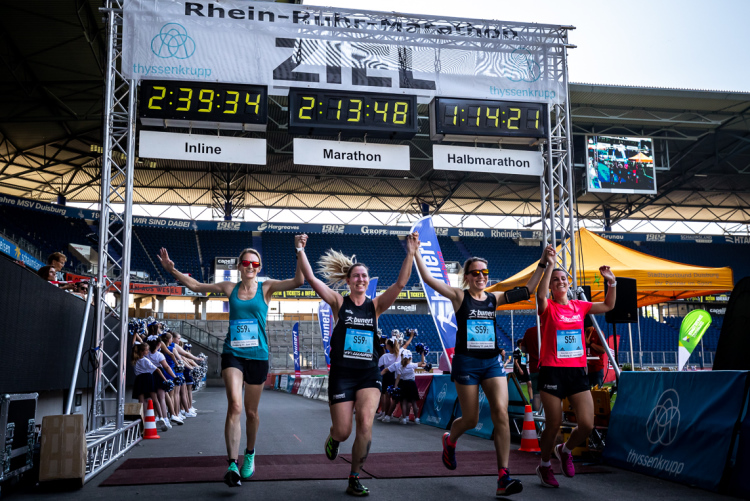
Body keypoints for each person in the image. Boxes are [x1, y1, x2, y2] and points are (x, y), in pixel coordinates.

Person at [158, 244, 304, 487]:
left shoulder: (266, 288)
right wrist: (172, 270)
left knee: (251, 412)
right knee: (235, 405)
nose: (250, 267)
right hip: (233, 353)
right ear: (239, 266)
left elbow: (299, 281)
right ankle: (232, 464)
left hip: (258, 356)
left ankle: (250, 453)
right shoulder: (230, 288)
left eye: (254, 263)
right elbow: (197, 287)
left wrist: (299, 251)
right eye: (246, 263)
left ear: (259, 267)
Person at [414, 242, 553, 497]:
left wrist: (543, 263)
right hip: (467, 363)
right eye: (476, 272)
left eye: (485, 272)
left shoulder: (493, 298)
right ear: (467, 277)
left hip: (491, 363)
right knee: (471, 419)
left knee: (500, 413)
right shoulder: (459, 297)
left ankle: (503, 477)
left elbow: (528, 290)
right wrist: (415, 253)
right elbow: (429, 280)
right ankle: (450, 440)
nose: (481, 276)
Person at [294, 232, 419, 496]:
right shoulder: (339, 302)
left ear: (367, 281)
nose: (361, 279)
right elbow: (313, 279)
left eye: (364, 276)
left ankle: (354, 477)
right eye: (356, 276)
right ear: (349, 281)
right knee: (343, 431)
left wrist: (411, 253)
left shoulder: (375, 306)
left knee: (365, 423)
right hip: (342, 375)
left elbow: (400, 283)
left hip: (368, 375)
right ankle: (334, 438)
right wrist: (300, 250)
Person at [535, 258, 616, 489]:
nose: (560, 282)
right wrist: (549, 266)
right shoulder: (548, 307)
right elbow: (539, 295)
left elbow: (608, 306)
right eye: (555, 280)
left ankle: (565, 450)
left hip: (576, 372)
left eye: (563, 279)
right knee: (553, 424)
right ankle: (544, 465)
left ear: (569, 283)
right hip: (552, 371)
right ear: (550, 286)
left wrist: (612, 283)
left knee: (587, 425)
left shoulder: (580, 306)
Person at [522, 326, 541, 411]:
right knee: (551, 394)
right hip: (548, 366)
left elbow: (523, 349)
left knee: (536, 394)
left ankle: (536, 416)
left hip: (534, 367)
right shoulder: (549, 329)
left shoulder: (529, 331)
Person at [513, 340, 533, 404]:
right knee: (518, 385)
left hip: (524, 369)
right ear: (520, 343)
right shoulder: (516, 351)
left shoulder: (524, 351)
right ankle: (519, 399)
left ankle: (531, 399)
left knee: (529, 383)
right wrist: (519, 369)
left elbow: (523, 360)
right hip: (518, 370)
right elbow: (515, 361)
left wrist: (528, 362)